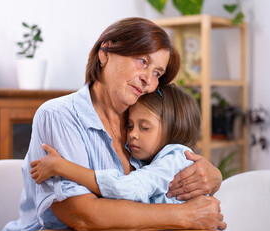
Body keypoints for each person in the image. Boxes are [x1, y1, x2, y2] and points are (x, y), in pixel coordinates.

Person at [0, 17, 225, 231]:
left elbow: (169, 171)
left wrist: (210, 175)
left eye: (157, 73)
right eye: (142, 62)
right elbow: (83, 216)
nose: (149, 79)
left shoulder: (143, 122)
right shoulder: (59, 116)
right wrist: (183, 216)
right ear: (105, 53)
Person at [30, 84, 202, 204]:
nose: (133, 135)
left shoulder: (175, 158)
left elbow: (126, 188)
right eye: (130, 126)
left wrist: (62, 166)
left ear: (175, 129)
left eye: (145, 127)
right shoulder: (157, 159)